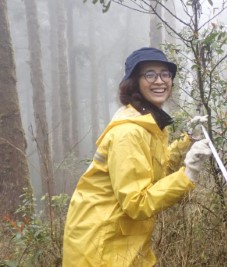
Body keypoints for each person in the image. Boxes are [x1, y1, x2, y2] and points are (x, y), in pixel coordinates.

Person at [62, 47, 211, 266]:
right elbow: (137, 203)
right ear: (134, 82)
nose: (159, 81)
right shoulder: (129, 133)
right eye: (150, 74)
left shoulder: (149, 122)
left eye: (165, 74)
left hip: (124, 240)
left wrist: (186, 142)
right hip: (101, 247)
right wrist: (188, 173)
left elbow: (155, 173)